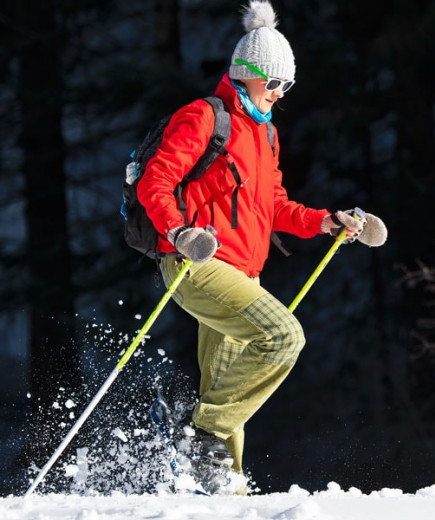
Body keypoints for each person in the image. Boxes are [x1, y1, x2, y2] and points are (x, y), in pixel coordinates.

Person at [137, 0, 364, 489]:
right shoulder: (204, 118)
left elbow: (275, 206)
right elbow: (155, 181)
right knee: (284, 337)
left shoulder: (267, 137)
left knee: (225, 390)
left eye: (288, 86)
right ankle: (201, 437)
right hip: (197, 262)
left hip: (244, 270)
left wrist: (326, 221)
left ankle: (222, 486)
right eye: (275, 83)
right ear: (247, 75)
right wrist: (180, 231)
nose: (280, 94)